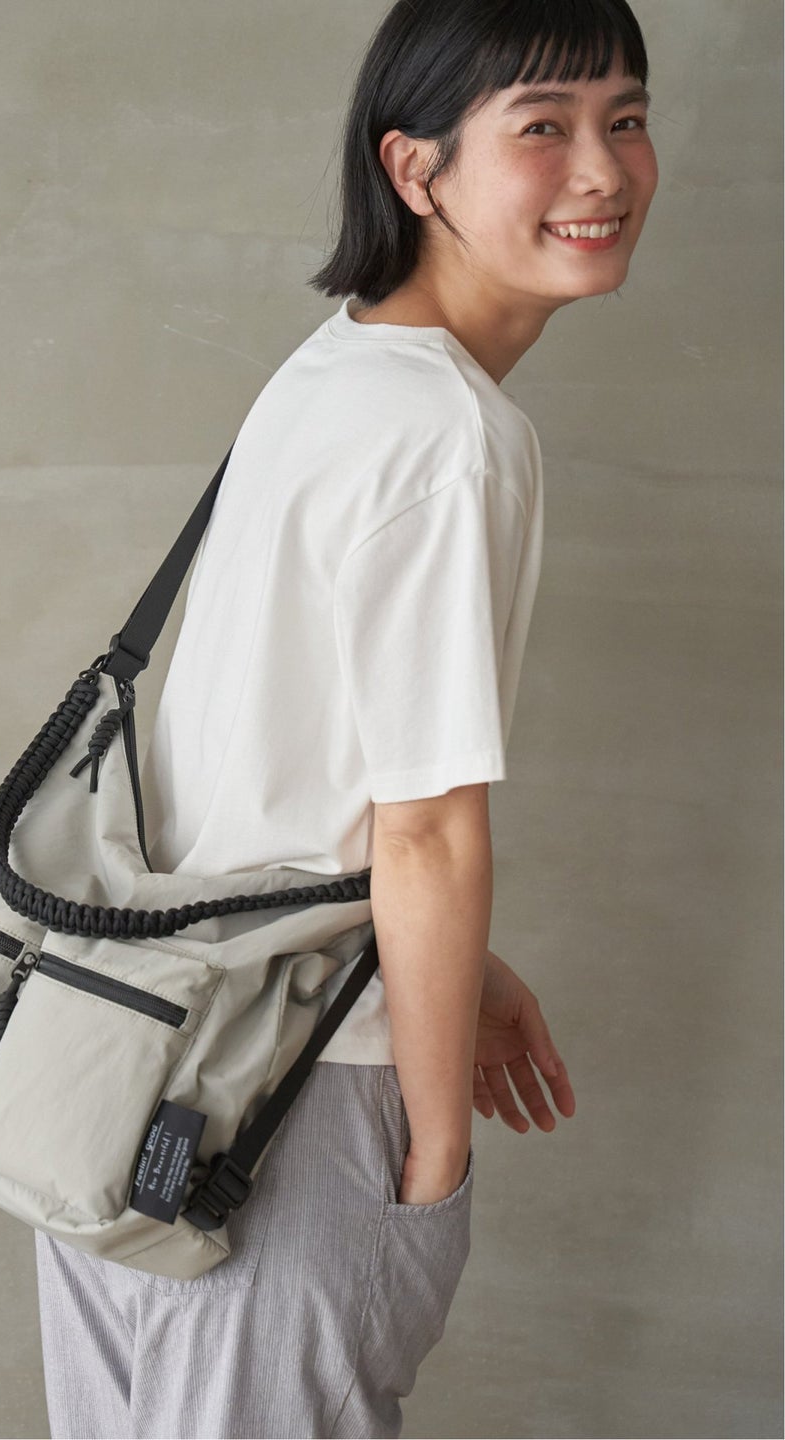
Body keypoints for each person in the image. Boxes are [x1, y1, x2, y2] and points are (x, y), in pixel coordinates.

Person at [35, 0, 657, 1434]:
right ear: (414, 167)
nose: (604, 169)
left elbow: (264, 759)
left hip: (133, 1062)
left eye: (626, 118)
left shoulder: (331, 368)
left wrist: (451, 963)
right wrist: (431, 1164)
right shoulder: (450, 435)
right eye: (544, 126)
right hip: (288, 1100)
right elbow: (424, 827)